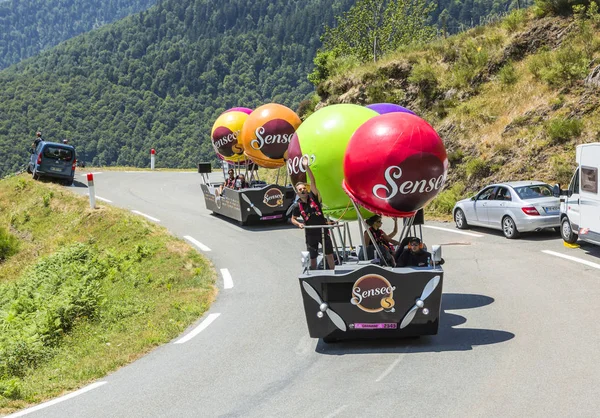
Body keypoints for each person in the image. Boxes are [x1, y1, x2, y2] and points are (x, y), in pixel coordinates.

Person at [291, 162, 335, 270]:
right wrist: (299, 224)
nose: (303, 190)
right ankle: (314, 275)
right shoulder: (297, 206)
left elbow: (313, 181)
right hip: (310, 234)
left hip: (323, 231)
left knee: (329, 254)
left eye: (304, 188)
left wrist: (306, 167)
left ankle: (333, 273)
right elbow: (293, 219)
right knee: (312, 257)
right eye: (300, 190)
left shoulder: (313, 197)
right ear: (297, 193)